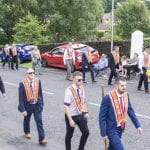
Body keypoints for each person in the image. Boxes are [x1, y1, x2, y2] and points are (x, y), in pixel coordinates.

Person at [99, 76, 142, 150]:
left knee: (112, 147)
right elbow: (101, 117)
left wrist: (137, 125)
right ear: (116, 85)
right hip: (111, 129)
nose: (124, 87)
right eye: (122, 85)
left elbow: (130, 110)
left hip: (121, 128)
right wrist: (103, 133)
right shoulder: (108, 98)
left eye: (125, 85)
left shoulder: (126, 95)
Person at [18, 68, 48, 145]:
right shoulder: (22, 83)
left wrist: (42, 104)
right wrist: (23, 109)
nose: (32, 74)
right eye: (30, 73)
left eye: (33, 72)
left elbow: (40, 92)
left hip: (37, 105)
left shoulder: (38, 81)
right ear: (26, 74)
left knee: (39, 121)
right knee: (27, 119)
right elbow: (20, 98)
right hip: (27, 106)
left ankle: (42, 139)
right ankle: (27, 132)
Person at [64, 71, 89, 150]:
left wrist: (85, 112)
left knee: (86, 132)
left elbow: (83, 101)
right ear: (74, 80)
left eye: (82, 79)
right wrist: (70, 120)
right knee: (69, 135)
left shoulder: (82, 88)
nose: (81, 81)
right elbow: (66, 106)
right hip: (71, 115)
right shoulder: (69, 90)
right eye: (79, 80)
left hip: (80, 114)